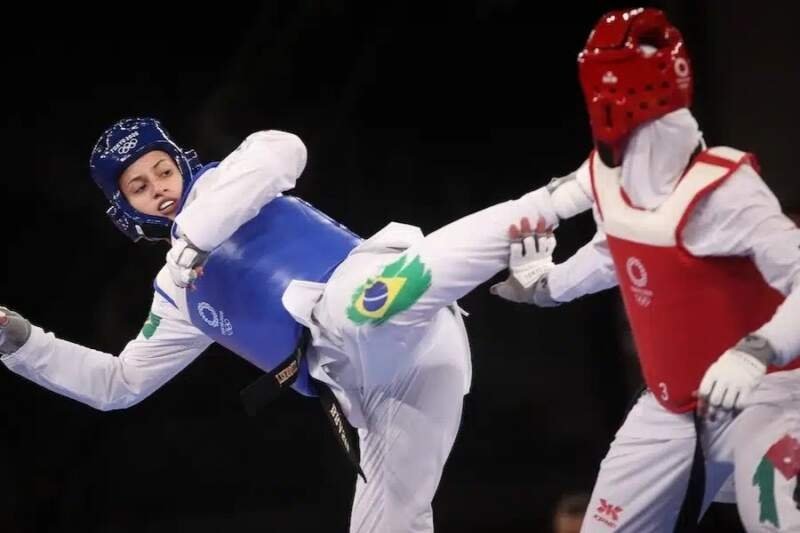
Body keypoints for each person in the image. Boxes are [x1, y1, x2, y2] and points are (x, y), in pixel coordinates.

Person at [0, 117, 587, 532]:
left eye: (162, 172)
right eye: (140, 188)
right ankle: (528, 249)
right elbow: (118, 384)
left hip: (378, 309)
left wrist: (193, 241)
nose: (160, 190)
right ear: (124, 210)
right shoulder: (176, 296)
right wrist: (22, 343)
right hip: (377, 389)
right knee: (389, 521)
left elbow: (287, 150)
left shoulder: (235, 174)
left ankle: (569, 196)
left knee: (357, 304)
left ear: (180, 164)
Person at [491, 7, 800, 532]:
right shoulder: (603, 174)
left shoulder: (724, 189)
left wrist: (758, 349)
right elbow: (616, 247)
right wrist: (548, 286)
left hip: (765, 399)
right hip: (670, 408)